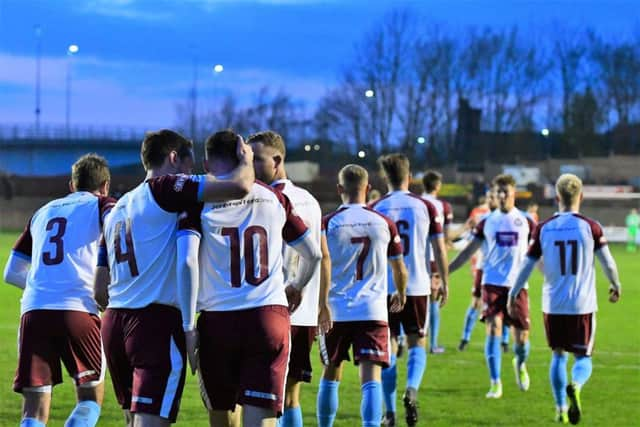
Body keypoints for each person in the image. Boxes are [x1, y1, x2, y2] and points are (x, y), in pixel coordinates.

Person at [96, 129, 255, 427]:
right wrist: (247, 160)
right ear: (172, 158)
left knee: (132, 421)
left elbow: (99, 287)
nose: (191, 173)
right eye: (187, 165)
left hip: (114, 321)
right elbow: (240, 186)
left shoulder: (118, 207)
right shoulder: (166, 187)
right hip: (152, 324)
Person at [177, 129, 322, 427]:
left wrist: (189, 325)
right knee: (261, 417)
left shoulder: (198, 201)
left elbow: (188, 260)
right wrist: (297, 285)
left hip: (218, 319)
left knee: (222, 415)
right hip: (267, 316)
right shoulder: (274, 197)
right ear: (245, 158)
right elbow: (314, 254)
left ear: (206, 165)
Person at [3, 154, 115, 427]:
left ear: (71, 185)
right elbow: (119, 229)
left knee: (33, 410)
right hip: (78, 309)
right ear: (106, 185)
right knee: (89, 399)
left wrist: (47, 285)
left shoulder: (43, 211)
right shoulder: (103, 204)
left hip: (34, 311)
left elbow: (11, 271)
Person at [508, 173, 622, 424]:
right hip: (582, 304)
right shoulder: (591, 227)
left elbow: (527, 265)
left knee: (558, 355)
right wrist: (615, 284)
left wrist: (513, 292)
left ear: (557, 197)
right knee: (583, 358)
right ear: (580, 196)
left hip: (553, 304)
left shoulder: (543, 228)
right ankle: (577, 385)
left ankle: (560, 408)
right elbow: (608, 263)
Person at [247, 130, 331, 427]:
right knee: (291, 397)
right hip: (304, 313)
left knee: (261, 400)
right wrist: (321, 303)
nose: (251, 165)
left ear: (278, 159)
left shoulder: (264, 199)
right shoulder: (311, 200)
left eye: (257, 159)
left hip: (272, 310)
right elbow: (321, 255)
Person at [317, 164, 408, 427]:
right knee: (371, 378)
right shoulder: (384, 223)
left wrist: (320, 304)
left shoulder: (328, 222)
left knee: (331, 372)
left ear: (339, 189)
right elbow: (399, 268)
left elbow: (318, 263)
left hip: (335, 311)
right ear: (368, 189)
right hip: (372, 310)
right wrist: (400, 293)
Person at [370, 156, 448, 427]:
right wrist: (444, 281)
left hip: (385, 288)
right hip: (416, 286)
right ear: (410, 176)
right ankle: (412, 389)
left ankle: (389, 413)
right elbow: (439, 248)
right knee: (417, 342)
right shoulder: (425, 206)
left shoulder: (376, 207)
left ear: (385, 177)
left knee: (388, 347)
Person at [449, 174, 536, 399]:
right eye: (499, 192)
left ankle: (520, 362)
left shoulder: (527, 221)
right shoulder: (487, 222)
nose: (502, 196)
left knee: (522, 338)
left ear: (514, 193)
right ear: (494, 195)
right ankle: (495, 383)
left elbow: (539, 253)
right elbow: (469, 251)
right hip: (492, 283)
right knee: (493, 329)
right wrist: (445, 270)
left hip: (517, 286)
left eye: (506, 191)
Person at [458, 189, 510, 353]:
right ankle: (465, 338)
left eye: (493, 197)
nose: (490, 200)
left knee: (506, 306)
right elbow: (470, 242)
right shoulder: (483, 219)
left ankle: (505, 341)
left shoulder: (508, 219)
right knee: (475, 303)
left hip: (504, 270)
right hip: (483, 267)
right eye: (488, 197)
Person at [421, 170, 453, 354]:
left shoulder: (415, 203)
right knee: (433, 301)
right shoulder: (443, 206)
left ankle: (400, 340)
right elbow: (446, 240)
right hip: (433, 259)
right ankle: (432, 344)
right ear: (438, 186)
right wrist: (465, 228)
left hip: (414, 260)